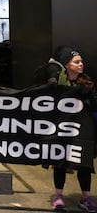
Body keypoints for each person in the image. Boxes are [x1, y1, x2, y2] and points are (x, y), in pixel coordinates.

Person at [40, 46, 97, 212]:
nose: (81, 65)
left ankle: (86, 197)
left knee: (84, 164)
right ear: (67, 64)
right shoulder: (57, 82)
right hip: (62, 129)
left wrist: (88, 96)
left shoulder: (87, 82)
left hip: (82, 131)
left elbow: (94, 105)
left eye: (82, 62)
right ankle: (59, 196)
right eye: (76, 62)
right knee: (61, 162)